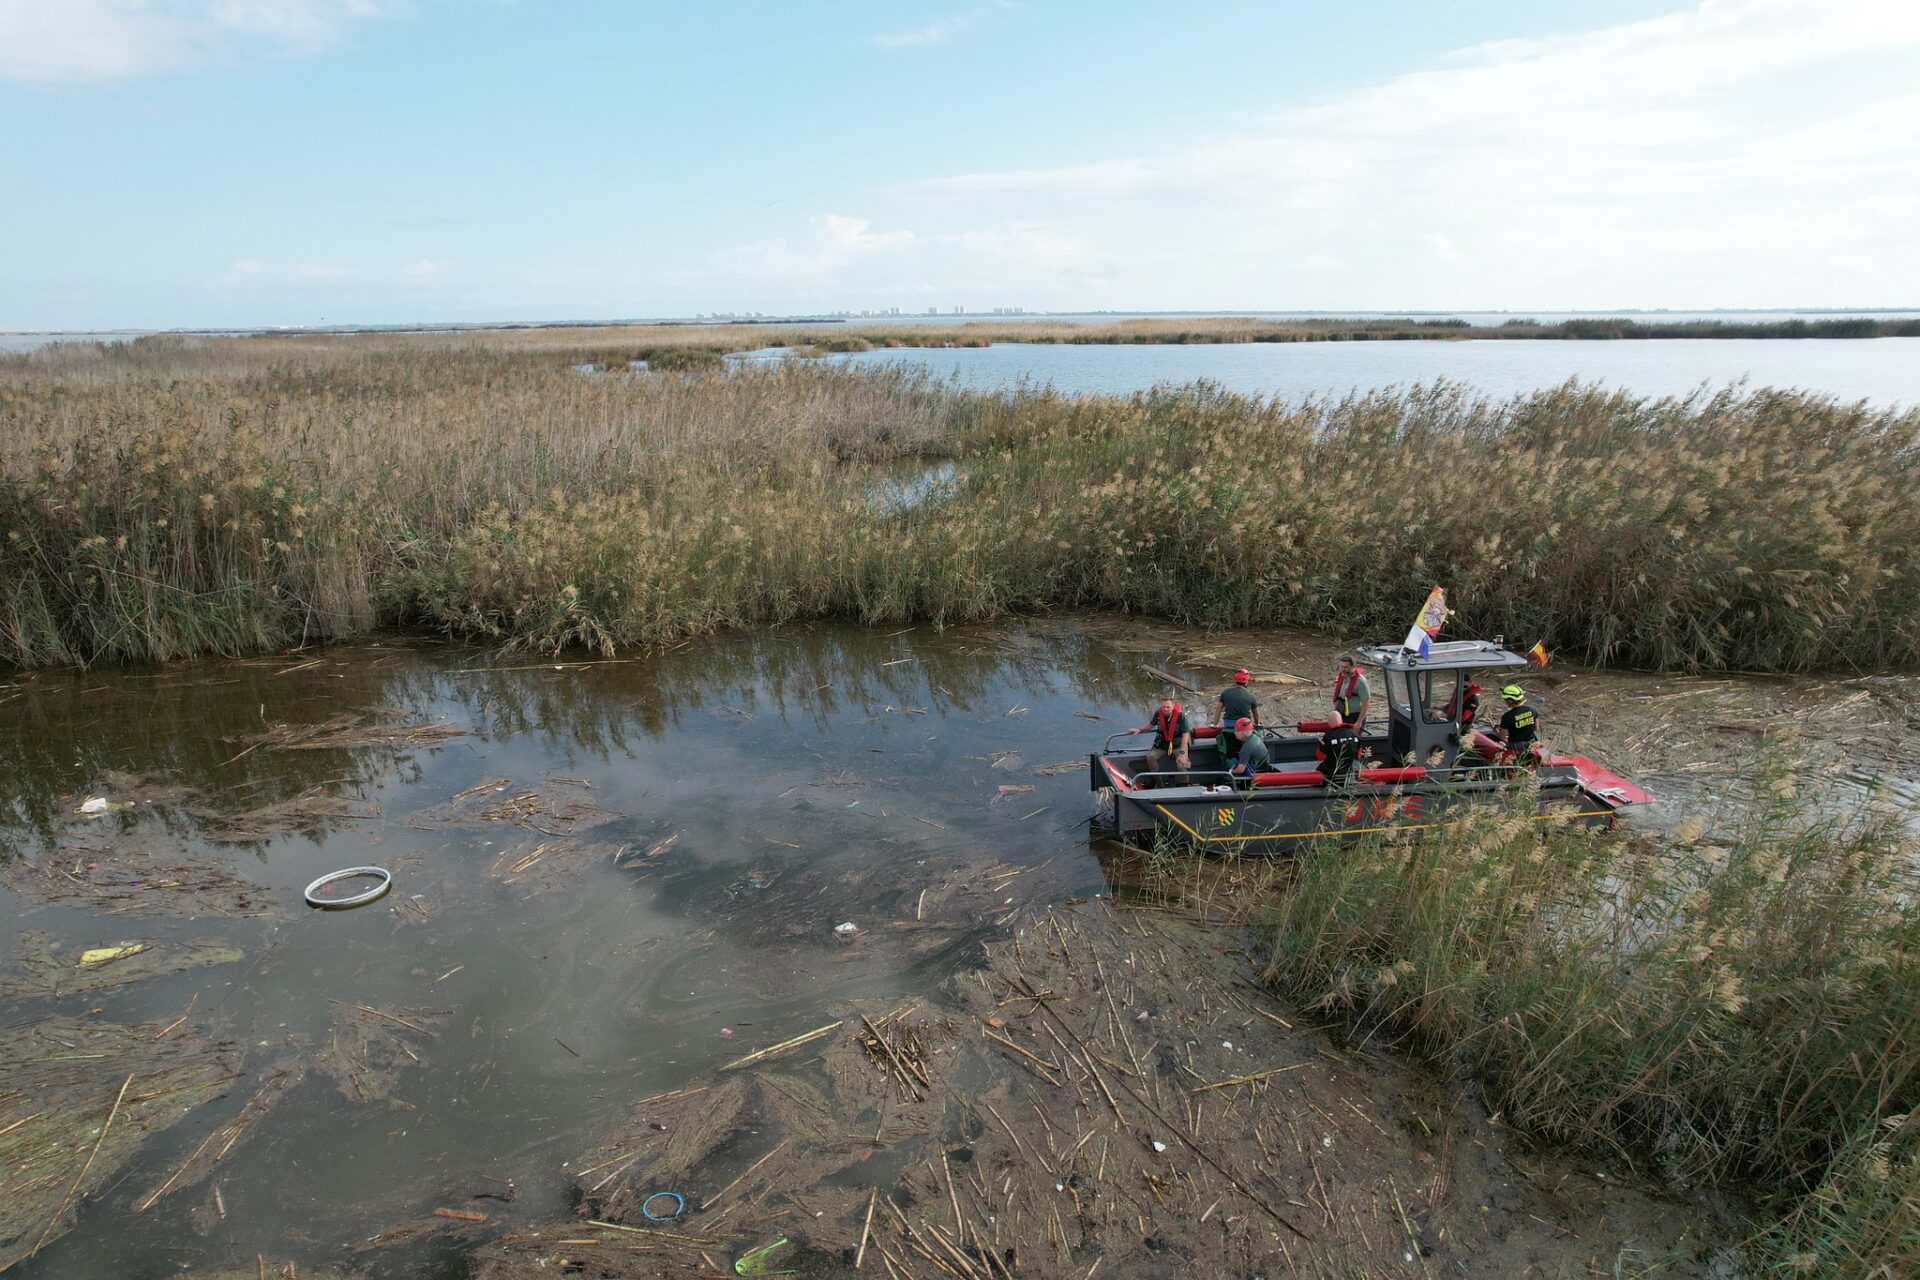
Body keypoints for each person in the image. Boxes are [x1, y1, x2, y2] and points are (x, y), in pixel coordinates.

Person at [1135, 693, 1192, 781]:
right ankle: (1159, 782)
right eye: (1163, 707)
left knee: (1182, 763)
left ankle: (1183, 784)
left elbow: (1185, 734)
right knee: (1150, 757)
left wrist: (1182, 752)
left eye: (1168, 707)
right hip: (1163, 744)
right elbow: (1151, 725)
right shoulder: (1158, 714)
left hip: (1178, 744)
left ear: (1173, 706)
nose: (1165, 709)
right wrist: (1139, 729)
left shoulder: (1181, 716)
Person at [1495, 684, 1542, 765]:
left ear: (1510, 700)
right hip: (1532, 743)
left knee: (1500, 762)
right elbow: (1536, 728)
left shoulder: (1507, 717)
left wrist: (1497, 732)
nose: (1505, 701)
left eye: (1505, 699)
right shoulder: (1532, 710)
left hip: (1515, 747)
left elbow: (1502, 737)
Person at [1316, 709, 1361, 784]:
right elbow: (1359, 755)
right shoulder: (1354, 733)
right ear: (1341, 720)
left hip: (1330, 774)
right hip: (1347, 773)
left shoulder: (1329, 735)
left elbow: (1320, 756)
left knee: (1318, 772)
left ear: (1330, 722)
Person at [1225, 716, 1272, 786]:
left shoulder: (1246, 747)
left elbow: (1241, 769)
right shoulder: (1255, 737)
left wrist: (1231, 772)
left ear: (1244, 732)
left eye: (1237, 731)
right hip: (1264, 767)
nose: (1235, 733)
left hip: (1254, 774)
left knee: (1232, 763)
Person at [1332, 656, 1371, 732]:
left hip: (1354, 716)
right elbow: (1340, 696)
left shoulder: (1360, 682)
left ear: (1353, 667)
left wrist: (1358, 722)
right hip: (1342, 714)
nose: (1343, 670)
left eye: (1346, 667)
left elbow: (1366, 703)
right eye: (1341, 667)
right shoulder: (1343, 677)